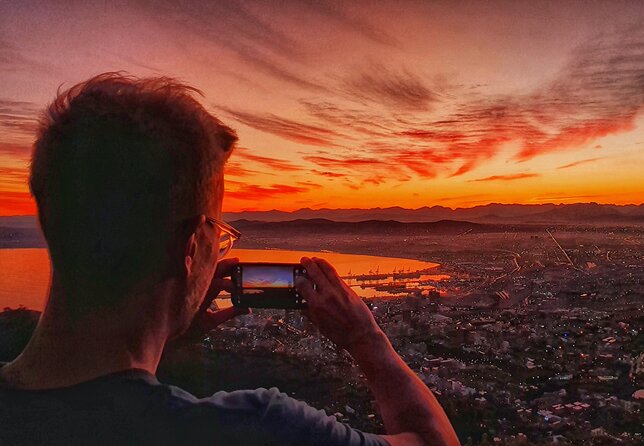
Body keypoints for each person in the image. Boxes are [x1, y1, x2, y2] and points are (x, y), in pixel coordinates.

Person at [0, 72, 460, 446]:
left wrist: (166, 334)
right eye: (218, 236)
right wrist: (366, 337)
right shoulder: (256, 429)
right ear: (191, 247)